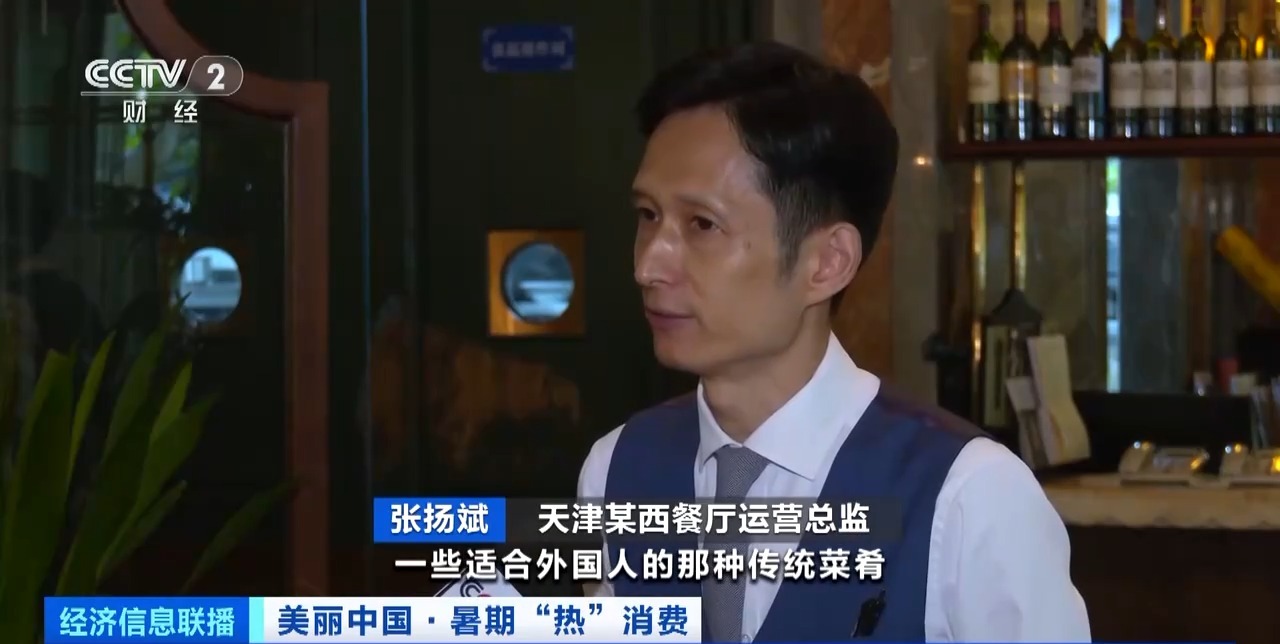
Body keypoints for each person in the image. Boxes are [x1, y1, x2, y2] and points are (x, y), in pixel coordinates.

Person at [576, 42, 1090, 642]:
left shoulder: (969, 495)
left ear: (827, 262)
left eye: (702, 225)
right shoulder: (617, 468)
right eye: (647, 215)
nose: (648, 266)